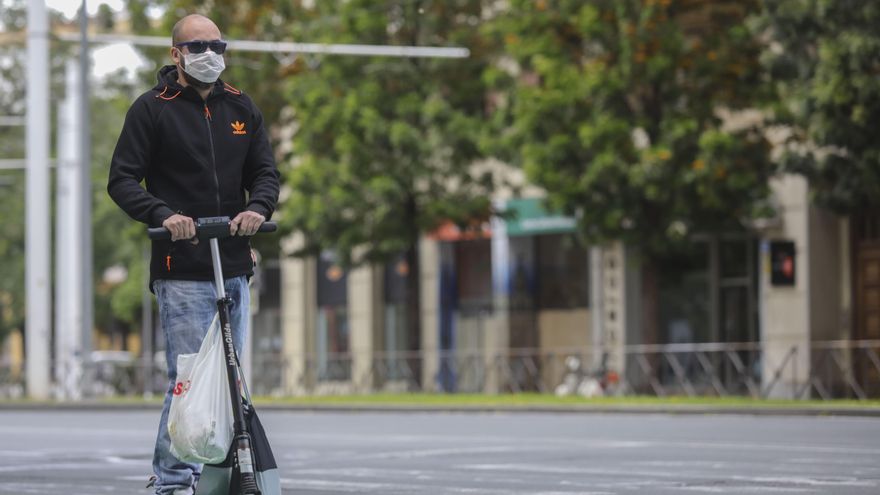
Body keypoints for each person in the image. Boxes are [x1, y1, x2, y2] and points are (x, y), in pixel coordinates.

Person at [107, 14, 280, 495]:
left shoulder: (242, 107)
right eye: (198, 45)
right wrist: (163, 215)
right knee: (188, 380)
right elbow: (122, 179)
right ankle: (171, 481)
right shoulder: (152, 110)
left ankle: (220, 476)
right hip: (180, 266)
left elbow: (265, 172)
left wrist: (258, 208)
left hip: (235, 262)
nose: (210, 54)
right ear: (175, 54)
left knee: (229, 380)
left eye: (217, 45)